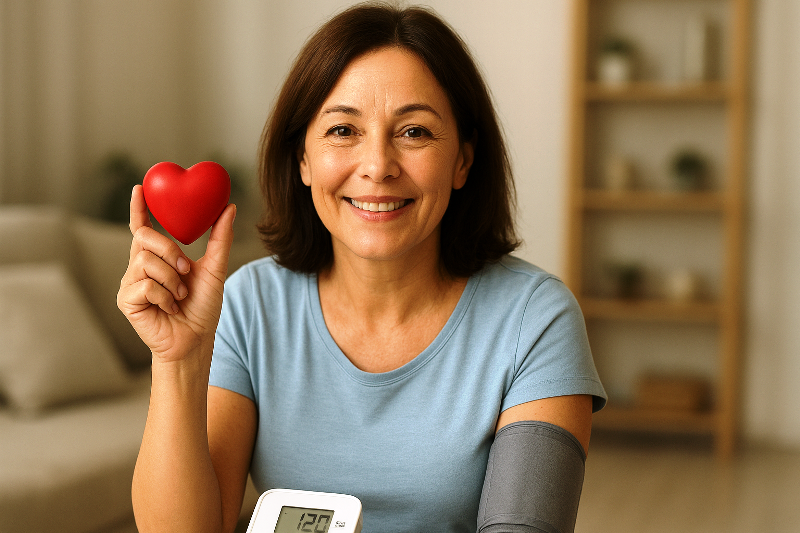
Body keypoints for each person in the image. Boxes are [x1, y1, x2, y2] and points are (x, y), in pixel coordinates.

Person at [117, 3, 606, 533]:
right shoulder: (249, 304)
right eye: (343, 130)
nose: (377, 166)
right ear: (302, 158)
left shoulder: (535, 320)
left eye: (415, 132)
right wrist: (177, 360)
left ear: (463, 160)